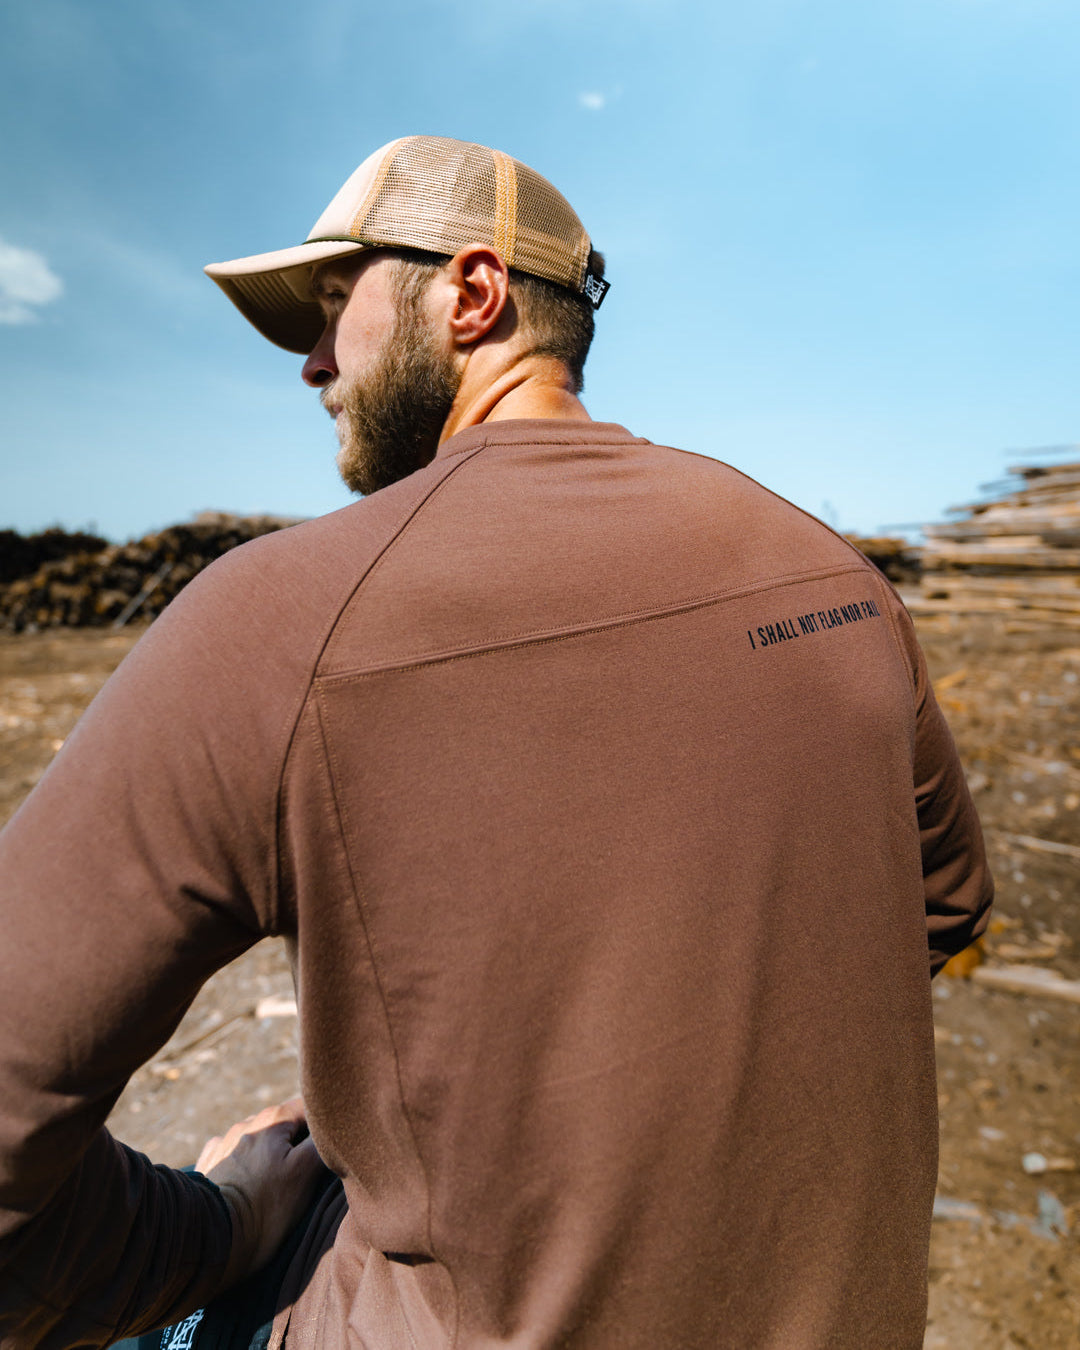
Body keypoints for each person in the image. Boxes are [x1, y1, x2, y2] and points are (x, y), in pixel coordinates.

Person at [0, 135, 992, 1350]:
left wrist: (224, 1225)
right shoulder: (836, 577)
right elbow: (941, 911)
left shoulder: (281, 622)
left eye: (330, 306)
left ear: (469, 296)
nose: (311, 363)